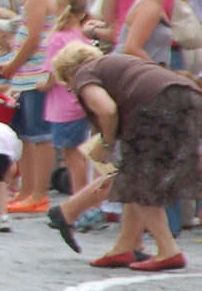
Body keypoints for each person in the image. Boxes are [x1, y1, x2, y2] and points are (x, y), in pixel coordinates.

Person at [52, 43, 197, 271]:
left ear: (69, 74)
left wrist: (107, 143)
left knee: (137, 180)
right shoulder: (116, 64)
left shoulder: (84, 74)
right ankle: (124, 247)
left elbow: (106, 109)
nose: (74, 91)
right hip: (187, 97)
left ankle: (169, 251)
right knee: (136, 178)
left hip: (156, 106)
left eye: (69, 87)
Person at [0, 0, 58, 214]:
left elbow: (33, 38)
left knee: (39, 135)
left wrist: (12, 65)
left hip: (35, 73)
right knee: (26, 135)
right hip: (28, 74)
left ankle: (39, 193)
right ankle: (27, 190)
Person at [44, 0, 95, 203]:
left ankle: (79, 199)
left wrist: (41, 84)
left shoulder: (58, 38)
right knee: (78, 153)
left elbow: (53, 73)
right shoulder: (82, 37)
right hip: (80, 103)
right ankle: (82, 197)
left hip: (63, 105)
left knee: (71, 155)